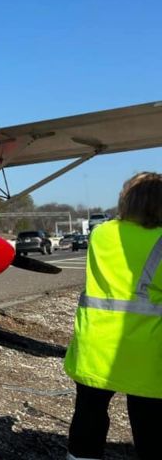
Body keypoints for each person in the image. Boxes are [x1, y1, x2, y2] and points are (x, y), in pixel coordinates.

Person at [64, 172, 162, 460]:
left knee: (88, 418)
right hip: (146, 352)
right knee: (150, 428)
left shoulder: (101, 233)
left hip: (95, 345)